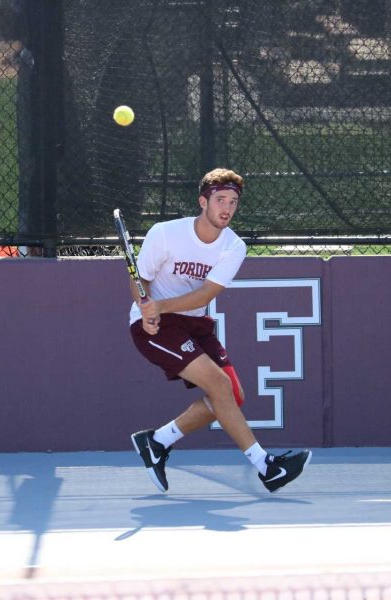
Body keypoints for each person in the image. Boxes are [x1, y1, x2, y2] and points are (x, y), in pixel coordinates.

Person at [126, 167, 312, 493]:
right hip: (155, 330)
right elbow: (139, 277)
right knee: (219, 384)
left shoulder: (233, 246)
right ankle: (267, 468)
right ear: (203, 201)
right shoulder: (166, 234)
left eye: (233, 202)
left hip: (193, 322)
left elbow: (206, 295)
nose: (227, 208)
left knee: (231, 394)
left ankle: (158, 441)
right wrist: (146, 307)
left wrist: (162, 306)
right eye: (220, 199)